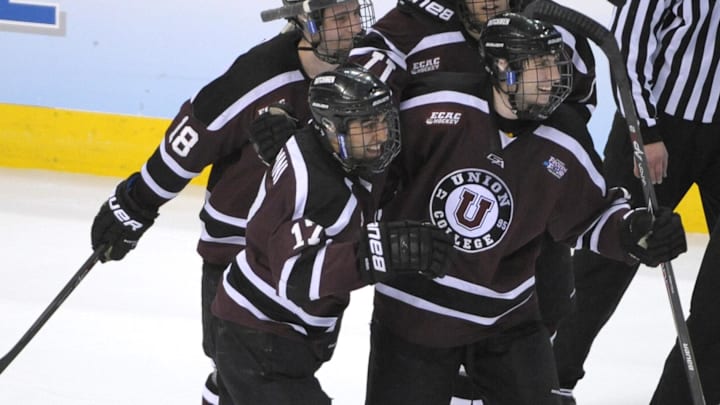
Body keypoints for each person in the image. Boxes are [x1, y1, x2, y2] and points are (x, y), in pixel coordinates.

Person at [363, 13, 687, 405]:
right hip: (415, 315)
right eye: (540, 66)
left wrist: (635, 232)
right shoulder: (433, 107)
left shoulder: (565, 135)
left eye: (555, 64)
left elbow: (590, 215)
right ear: (503, 67)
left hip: (506, 320)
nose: (553, 77)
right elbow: (370, 177)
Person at [88, 1, 375, 403]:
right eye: (340, 17)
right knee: (239, 367)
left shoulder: (368, 73)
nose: (355, 26)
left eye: (355, 13)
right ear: (306, 22)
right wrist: (137, 202)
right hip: (237, 249)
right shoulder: (259, 75)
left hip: (312, 256)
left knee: (282, 366)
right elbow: (192, 137)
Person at [210, 64, 452, 404]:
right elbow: (296, 275)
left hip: (272, 333)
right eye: (367, 126)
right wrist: (380, 253)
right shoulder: (317, 190)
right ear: (332, 127)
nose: (381, 135)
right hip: (260, 338)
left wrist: (278, 111)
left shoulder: (325, 142)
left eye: (382, 121)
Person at [551, 0, 720, 403]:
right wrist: (642, 128)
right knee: (606, 261)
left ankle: (684, 398)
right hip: (659, 130)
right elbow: (626, 45)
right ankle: (549, 377)